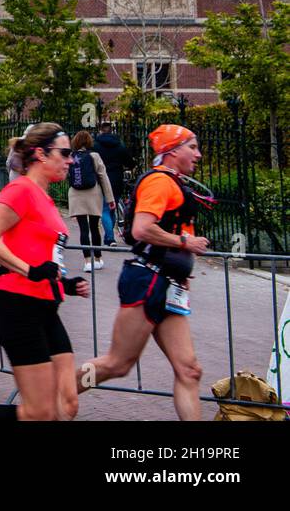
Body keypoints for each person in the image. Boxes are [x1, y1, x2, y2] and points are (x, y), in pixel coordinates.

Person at [80, 125, 210, 421]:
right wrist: (184, 243)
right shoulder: (160, 182)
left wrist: (181, 267)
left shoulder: (174, 182)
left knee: (189, 370)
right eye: (192, 147)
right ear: (173, 150)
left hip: (169, 283)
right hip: (147, 281)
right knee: (117, 364)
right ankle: (58, 394)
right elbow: (141, 228)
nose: (198, 154)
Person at [0, 122, 89, 421]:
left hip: (47, 307)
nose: (71, 160)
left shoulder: (46, 196)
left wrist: (63, 282)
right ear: (40, 153)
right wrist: (31, 271)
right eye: (65, 153)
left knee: (67, 405)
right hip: (19, 307)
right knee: (39, 411)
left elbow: (39, 253)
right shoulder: (21, 189)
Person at [67, 130, 115, 270]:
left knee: (83, 228)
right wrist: (110, 198)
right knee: (94, 227)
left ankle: (87, 262)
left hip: (75, 194)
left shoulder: (71, 156)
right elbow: (103, 177)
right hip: (93, 193)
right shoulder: (94, 156)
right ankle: (98, 258)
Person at [94, 120, 134, 245]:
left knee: (105, 209)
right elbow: (130, 162)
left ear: (100, 130)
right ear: (111, 130)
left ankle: (110, 238)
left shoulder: (96, 145)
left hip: (101, 179)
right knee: (112, 207)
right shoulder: (119, 145)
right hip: (117, 179)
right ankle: (109, 236)